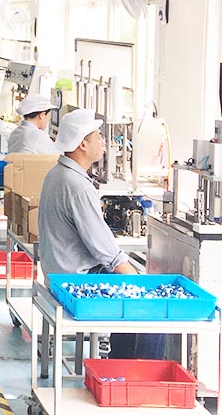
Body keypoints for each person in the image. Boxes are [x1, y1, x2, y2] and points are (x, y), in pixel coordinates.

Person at [38, 108, 162, 359]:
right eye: (98, 136)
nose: (103, 141)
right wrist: (142, 284)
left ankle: (119, 364)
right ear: (83, 144)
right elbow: (105, 250)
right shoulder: (77, 186)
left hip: (58, 273)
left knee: (131, 297)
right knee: (152, 309)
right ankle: (134, 373)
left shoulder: (57, 174)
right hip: (77, 281)